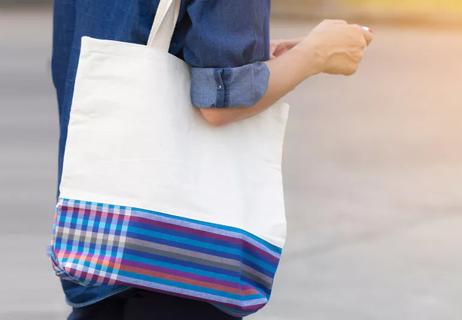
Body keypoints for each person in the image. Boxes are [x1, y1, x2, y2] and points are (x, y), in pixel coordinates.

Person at [51, 0, 373, 319]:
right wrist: (316, 53)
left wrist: (247, 59)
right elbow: (221, 101)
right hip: (179, 272)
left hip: (101, 242)